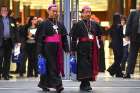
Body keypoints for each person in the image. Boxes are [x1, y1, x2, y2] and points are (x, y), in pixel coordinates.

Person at [37, 4, 69, 93]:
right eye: (53, 11)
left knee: (51, 66)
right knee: (52, 66)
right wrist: (39, 52)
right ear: (48, 11)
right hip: (47, 49)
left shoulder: (60, 24)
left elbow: (64, 38)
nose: (55, 13)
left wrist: (66, 48)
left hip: (58, 49)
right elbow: (39, 39)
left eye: (56, 11)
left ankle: (43, 84)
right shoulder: (43, 24)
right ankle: (58, 85)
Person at [70, 6, 101, 92]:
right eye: (86, 12)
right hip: (82, 48)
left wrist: (99, 46)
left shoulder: (94, 24)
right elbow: (74, 39)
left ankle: (84, 84)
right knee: (84, 66)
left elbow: (99, 36)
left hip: (92, 48)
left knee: (90, 66)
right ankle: (86, 84)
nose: (88, 14)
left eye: (89, 12)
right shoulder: (78, 24)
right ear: (82, 13)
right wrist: (73, 51)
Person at [0, 5, 20, 80]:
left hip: (9, 42)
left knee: (7, 59)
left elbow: (15, 30)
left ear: (7, 12)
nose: (4, 11)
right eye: (3, 10)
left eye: (5, 10)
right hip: (1, 42)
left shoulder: (12, 20)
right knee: (0, 58)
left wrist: (17, 41)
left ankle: (6, 74)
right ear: (0, 12)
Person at [124, 3, 140, 78]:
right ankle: (128, 73)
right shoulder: (133, 13)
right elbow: (128, 24)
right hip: (135, 37)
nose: (138, 7)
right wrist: (127, 35)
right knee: (132, 55)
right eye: (138, 5)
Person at [107, 13, 124, 77]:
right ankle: (111, 70)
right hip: (119, 44)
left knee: (116, 58)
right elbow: (120, 35)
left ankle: (118, 73)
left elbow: (110, 35)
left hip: (113, 44)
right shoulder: (120, 26)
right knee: (119, 58)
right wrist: (125, 36)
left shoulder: (112, 26)